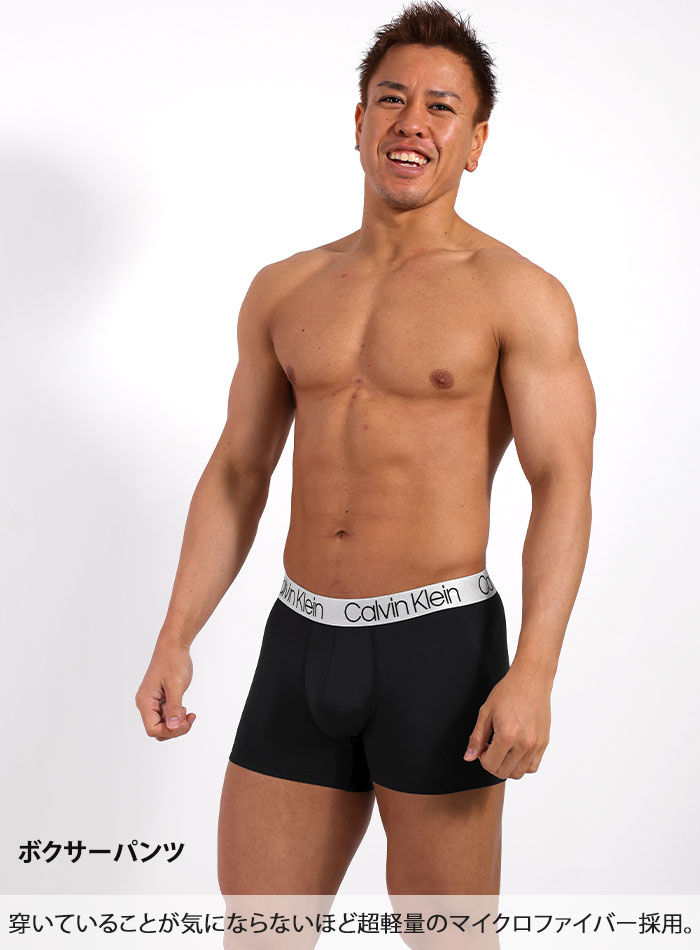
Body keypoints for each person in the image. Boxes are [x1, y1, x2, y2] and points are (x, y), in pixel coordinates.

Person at [135, 0, 596, 907]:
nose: (411, 122)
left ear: (475, 142)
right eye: (391, 99)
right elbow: (237, 471)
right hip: (299, 640)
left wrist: (535, 669)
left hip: (440, 650)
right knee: (259, 932)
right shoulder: (284, 289)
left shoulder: (519, 295)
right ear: (358, 122)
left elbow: (562, 484)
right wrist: (175, 634)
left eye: (441, 107)